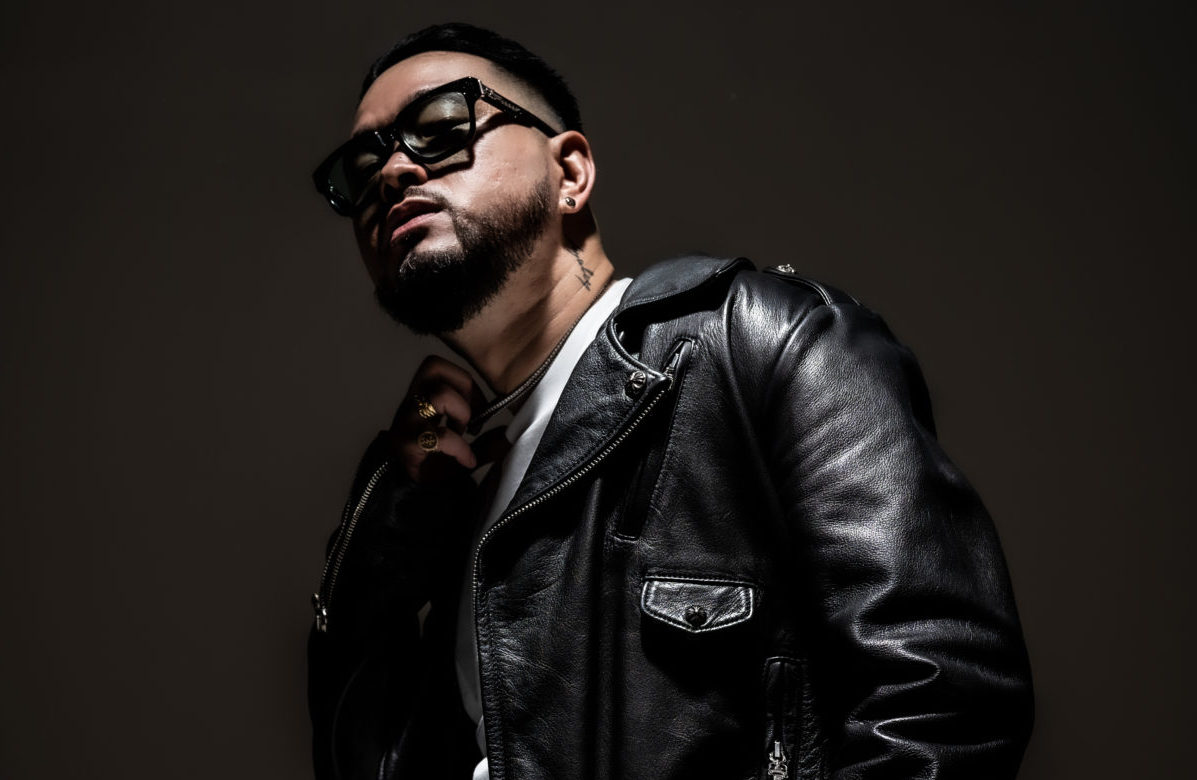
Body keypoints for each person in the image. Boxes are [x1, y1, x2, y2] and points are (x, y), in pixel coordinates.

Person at [307, 22, 1034, 780]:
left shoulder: (759, 340)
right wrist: (393, 517)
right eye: (362, 168)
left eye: (438, 128)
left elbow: (941, 701)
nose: (391, 172)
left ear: (570, 172)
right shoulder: (454, 497)